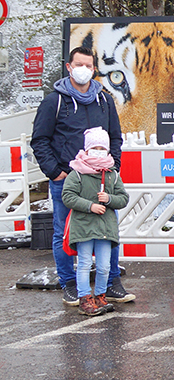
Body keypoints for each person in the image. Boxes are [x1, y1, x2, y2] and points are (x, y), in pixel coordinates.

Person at [31, 46, 133, 306]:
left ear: (94, 69)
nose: (84, 70)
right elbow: (40, 140)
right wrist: (56, 172)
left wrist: (114, 168)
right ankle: (69, 283)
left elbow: (115, 137)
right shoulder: (54, 101)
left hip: (100, 181)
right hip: (69, 180)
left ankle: (111, 283)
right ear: (68, 66)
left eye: (88, 66)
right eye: (79, 64)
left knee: (108, 231)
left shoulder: (105, 100)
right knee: (63, 233)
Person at [60, 127, 129, 316]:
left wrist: (109, 199)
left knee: (104, 265)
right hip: (83, 225)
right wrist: (90, 206)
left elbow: (123, 198)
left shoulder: (113, 174)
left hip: (105, 227)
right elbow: (67, 196)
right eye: (94, 147)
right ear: (87, 149)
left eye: (102, 148)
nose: (98, 151)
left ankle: (100, 296)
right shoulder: (77, 173)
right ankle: (84, 299)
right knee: (83, 263)